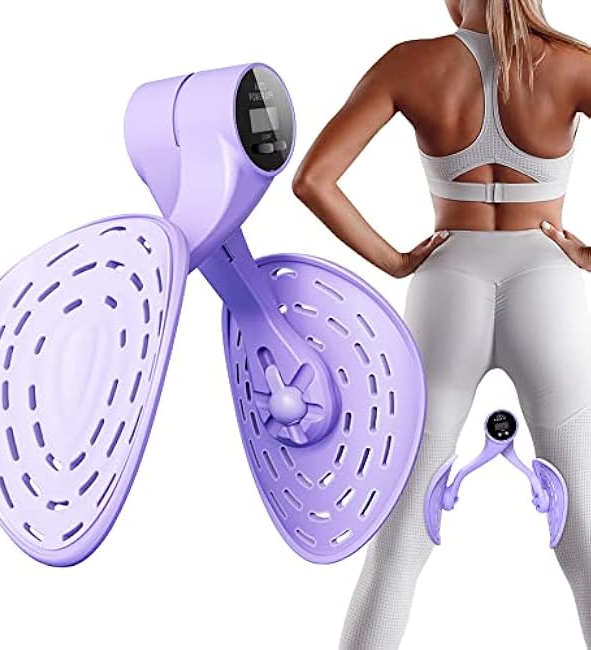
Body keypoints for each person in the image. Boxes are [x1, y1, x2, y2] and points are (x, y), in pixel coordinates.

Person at [292, 1, 591, 647]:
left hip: (446, 284)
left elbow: (314, 180)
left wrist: (396, 262)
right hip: (550, 287)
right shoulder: (573, 64)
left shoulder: (411, 63)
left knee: (400, 537)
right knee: (586, 531)